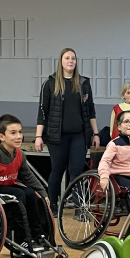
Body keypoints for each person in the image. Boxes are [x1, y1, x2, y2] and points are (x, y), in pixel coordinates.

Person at [0, 114, 50, 253]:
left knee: (31, 194)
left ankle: (38, 236)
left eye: (20, 132)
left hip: (6, 186)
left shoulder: (18, 154)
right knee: (18, 194)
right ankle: (22, 240)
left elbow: (28, 176)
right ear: (1, 137)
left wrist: (43, 192)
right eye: (13, 133)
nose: (19, 136)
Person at [35, 48, 100, 209]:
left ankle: (80, 207)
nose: (70, 61)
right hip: (57, 136)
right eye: (67, 58)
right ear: (61, 61)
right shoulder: (50, 83)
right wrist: (38, 136)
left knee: (76, 171)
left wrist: (96, 133)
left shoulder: (83, 83)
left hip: (79, 135)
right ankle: (53, 206)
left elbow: (90, 109)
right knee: (57, 170)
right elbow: (42, 111)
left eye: (73, 58)